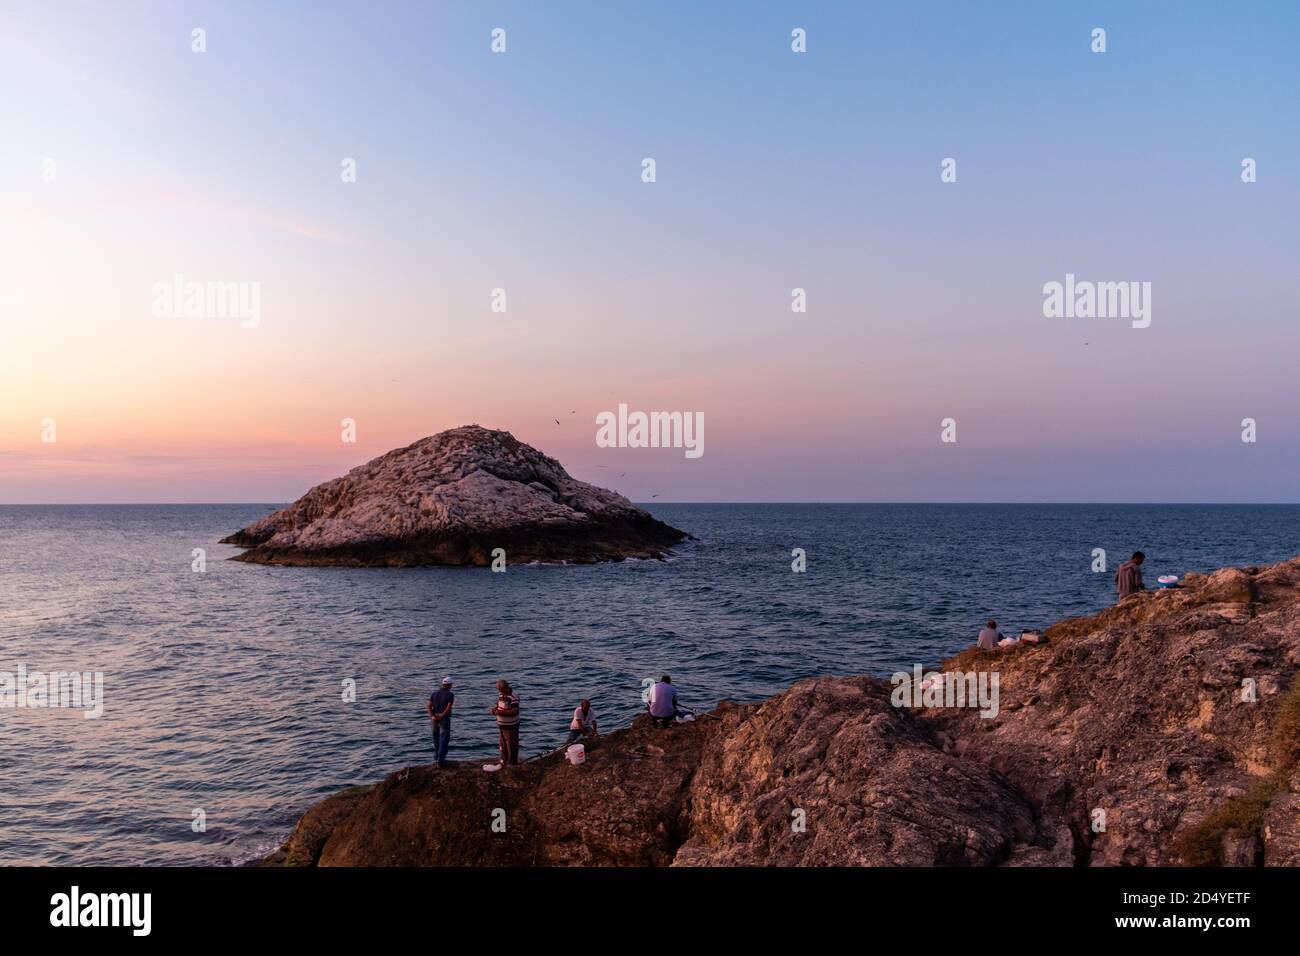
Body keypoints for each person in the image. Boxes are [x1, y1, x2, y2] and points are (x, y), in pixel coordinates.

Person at [490, 680, 520, 765]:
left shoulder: (513, 697)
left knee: (511, 745)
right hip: (502, 725)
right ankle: (503, 760)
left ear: (506, 688)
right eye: (499, 690)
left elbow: (515, 711)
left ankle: (512, 762)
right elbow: (499, 704)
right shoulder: (501, 695)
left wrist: (500, 713)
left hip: (511, 726)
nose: (500, 692)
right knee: (503, 745)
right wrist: (495, 708)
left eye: (501, 690)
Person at [426, 676, 454, 768]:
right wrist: (442, 715)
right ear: (449, 685)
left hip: (434, 718)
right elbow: (448, 707)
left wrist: (433, 716)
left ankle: (436, 758)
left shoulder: (434, 693)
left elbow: (429, 706)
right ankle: (441, 761)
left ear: (443, 684)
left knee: (436, 738)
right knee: (443, 739)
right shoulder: (450, 694)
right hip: (444, 719)